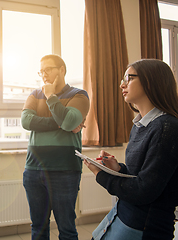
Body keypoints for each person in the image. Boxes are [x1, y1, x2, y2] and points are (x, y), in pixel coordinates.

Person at [85, 59, 178, 240]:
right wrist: (119, 168)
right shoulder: (140, 124)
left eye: (129, 78)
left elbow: (144, 191)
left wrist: (101, 175)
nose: (122, 84)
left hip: (144, 225)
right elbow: (143, 176)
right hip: (124, 213)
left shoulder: (167, 127)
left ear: (151, 81)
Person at [21, 54, 90, 240]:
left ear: (62, 70)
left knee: (66, 229)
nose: (43, 74)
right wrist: (58, 122)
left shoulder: (79, 95)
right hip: (34, 170)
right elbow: (26, 121)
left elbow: (69, 122)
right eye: (41, 71)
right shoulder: (35, 94)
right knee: (38, 228)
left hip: (65, 170)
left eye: (48, 69)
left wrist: (51, 96)